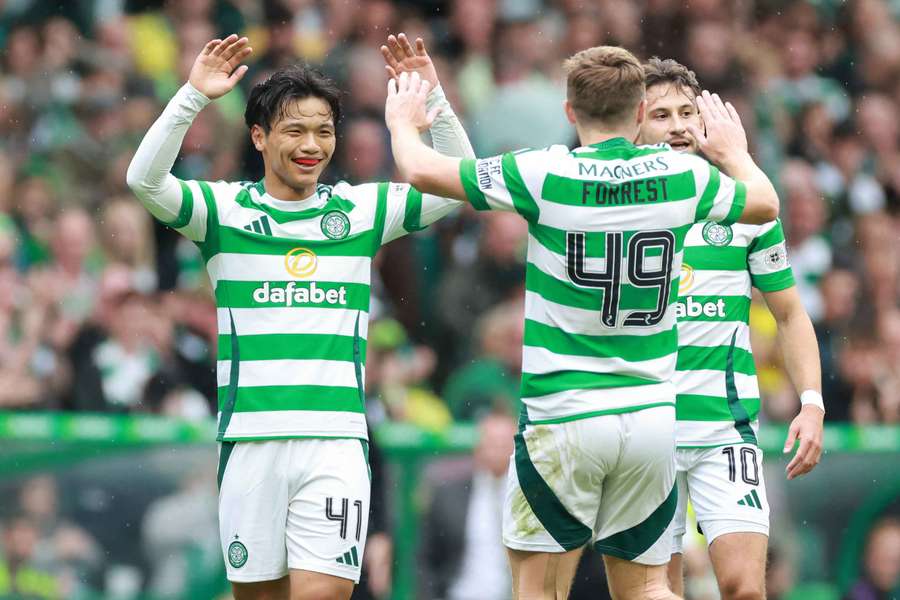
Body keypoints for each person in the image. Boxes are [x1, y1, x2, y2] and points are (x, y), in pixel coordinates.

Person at [384, 46, 780, 600]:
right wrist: (735, 153)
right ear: (641, 111)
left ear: (570, 111)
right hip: (648, 417)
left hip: (563, 415)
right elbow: (765, 203)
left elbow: (422, 171)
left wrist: (405, 121)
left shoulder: (545, 170)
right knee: (646, 590)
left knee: (538, 590)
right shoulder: (681, 175)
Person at [126, 33, 474, 600]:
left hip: (334, 443)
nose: (312, 144)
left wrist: (432, 98)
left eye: (324, 130)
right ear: (260, 137)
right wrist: (192, 95)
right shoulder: (224, 211)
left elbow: (458, 181)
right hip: (250, 444)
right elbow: (143, 181)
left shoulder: (361, 211)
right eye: (295, 130)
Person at [635, 57, 825, 600]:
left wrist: (811, 401)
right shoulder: (615, 210)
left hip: (726, 431)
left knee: (744, 590)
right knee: (656, 592)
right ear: (635, 124)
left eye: (688, 112)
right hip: (646, 433)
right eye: (661, 114)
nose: (677, 125)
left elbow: (789, 313)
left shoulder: (747, 206)